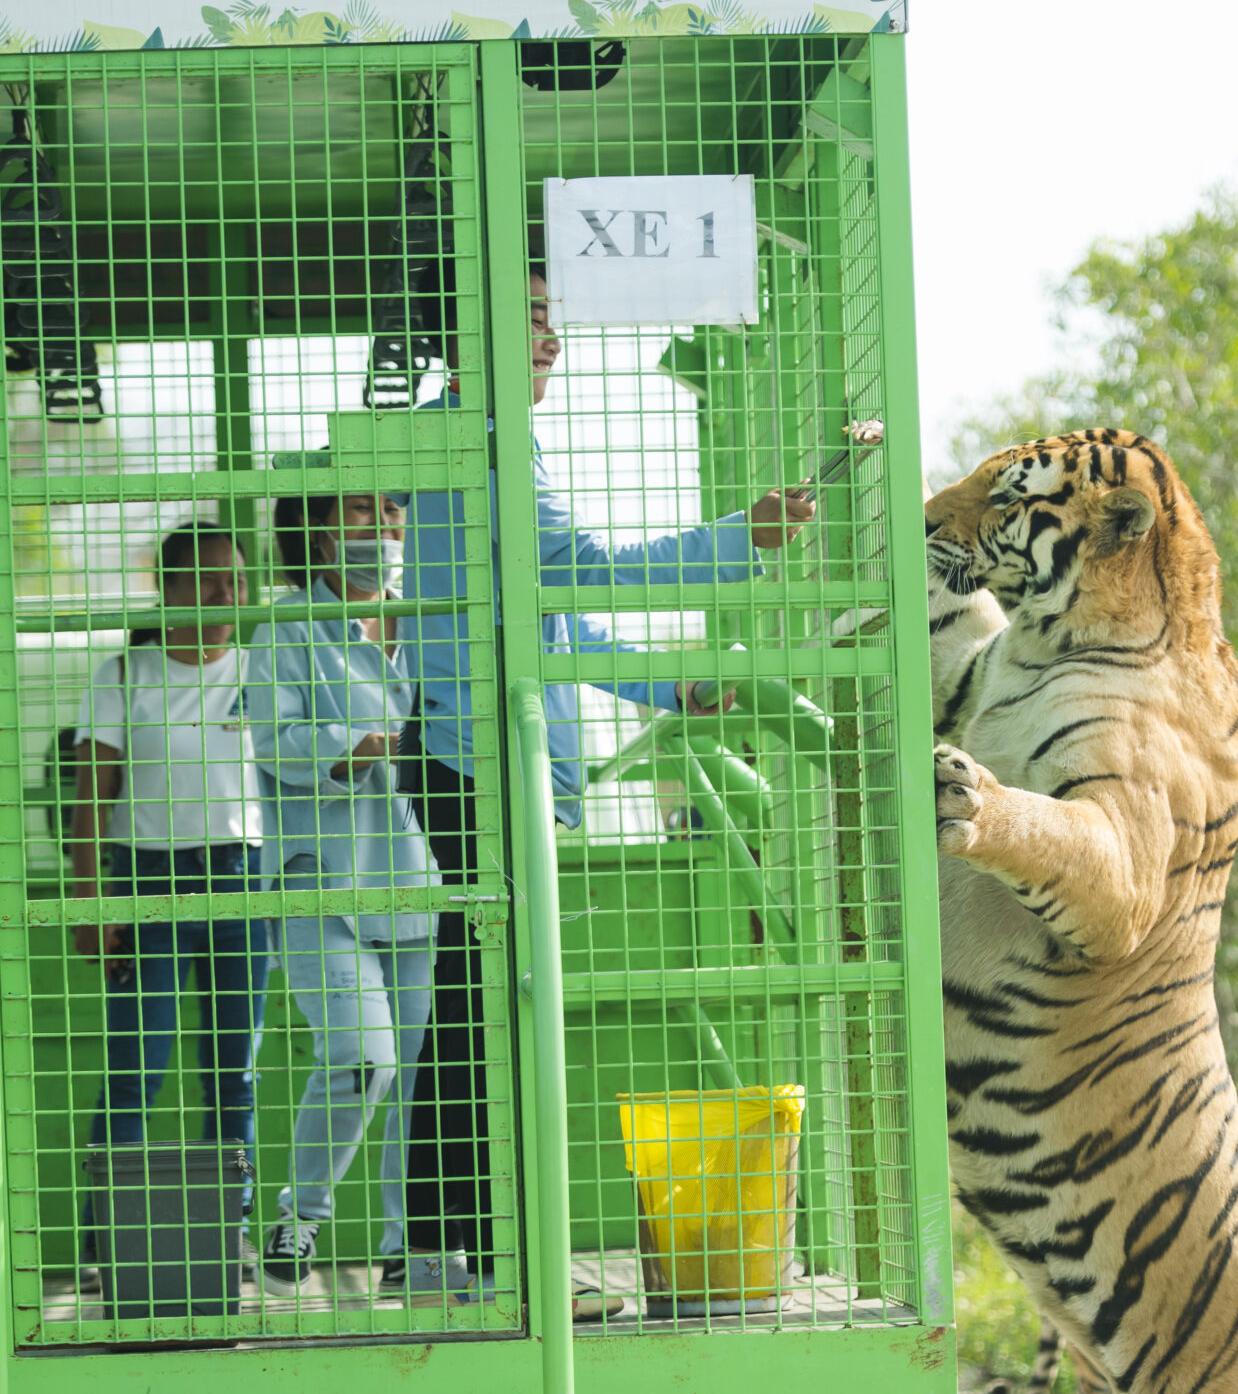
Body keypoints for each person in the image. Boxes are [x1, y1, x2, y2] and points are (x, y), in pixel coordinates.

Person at [394, 268, 815, 1304]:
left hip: (495, 766)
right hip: (476, 770)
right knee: (480, 1017)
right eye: (521, 316)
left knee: (487, 1013)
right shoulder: (478, 440)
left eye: (551, 318)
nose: (548, 338)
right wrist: (735, 539)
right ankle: (472, 1264)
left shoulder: (493, 440)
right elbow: (577, 571)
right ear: (466, 332)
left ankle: (484, 1261)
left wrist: (668, 681)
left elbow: (557, 622)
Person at [243, 489, 439, 1293]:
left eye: (390, 513)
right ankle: (300, 1218)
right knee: (365, 1057)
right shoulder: (286, 626)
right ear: (316, 532)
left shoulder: (435, 613)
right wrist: (352, 746)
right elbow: (272, 738)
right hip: (321, 881)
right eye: (360, 513)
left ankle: (410, 1246)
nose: (382, 527)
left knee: (423, 1074)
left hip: (422, 877)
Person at [71, 522, 271, 1277]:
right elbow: (93, 792)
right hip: (146, 880)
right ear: (169, 588)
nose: (230, 595)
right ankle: (104, 1241)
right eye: (211, 580)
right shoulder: (124, 673)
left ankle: (233, 1230)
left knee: (233, 1068)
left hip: (242, 880)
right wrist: (91, 898)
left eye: (239, 580)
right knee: (137, 1065)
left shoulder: (261, 669)